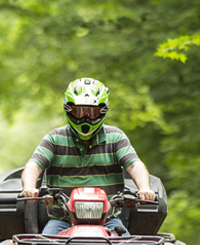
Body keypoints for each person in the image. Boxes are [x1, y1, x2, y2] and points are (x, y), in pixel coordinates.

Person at [21, 78, 156, 236]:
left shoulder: (116, 137)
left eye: (91, 112)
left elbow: (134, 165)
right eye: (79, 111)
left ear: (102, 111)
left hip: (109, 220)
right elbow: (34, 165)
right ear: (69, 109)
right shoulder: (55, 138)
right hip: (62, 221)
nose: (85, 117)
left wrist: (145, 188)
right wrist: (29, 187)